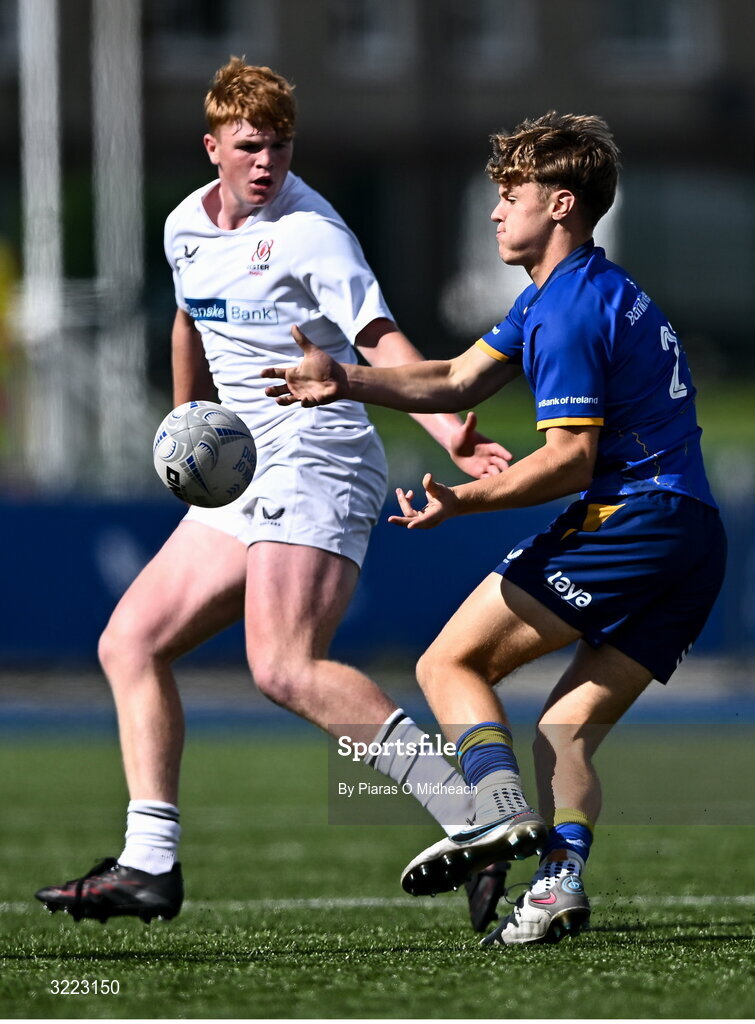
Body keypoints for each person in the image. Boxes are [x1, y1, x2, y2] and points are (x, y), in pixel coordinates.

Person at [34, 59, 514, 930]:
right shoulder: (186, 224)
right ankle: (148, 866)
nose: (266, 162)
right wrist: (187, 423)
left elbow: (382, 339)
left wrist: (456, 432)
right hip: (244, 463)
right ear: (212, 146)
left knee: (283, 666)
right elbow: (190, 317)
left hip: (322, 452)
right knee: (130, 641)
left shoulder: (313, 236)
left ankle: (476, 817)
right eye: (250, 146)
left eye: (280, 146)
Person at [261, 111, 727, 945]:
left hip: (634, 520)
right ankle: (555, 885)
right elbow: (453, 378)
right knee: (561, 729)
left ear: (559, 204)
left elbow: (568, 462)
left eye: (508, 196)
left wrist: (461, 503)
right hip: (691, 535)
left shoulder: (571, 310)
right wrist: (345, 378)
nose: (492, 212)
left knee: (448, 660)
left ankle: (492, 817)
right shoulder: (567, 293)